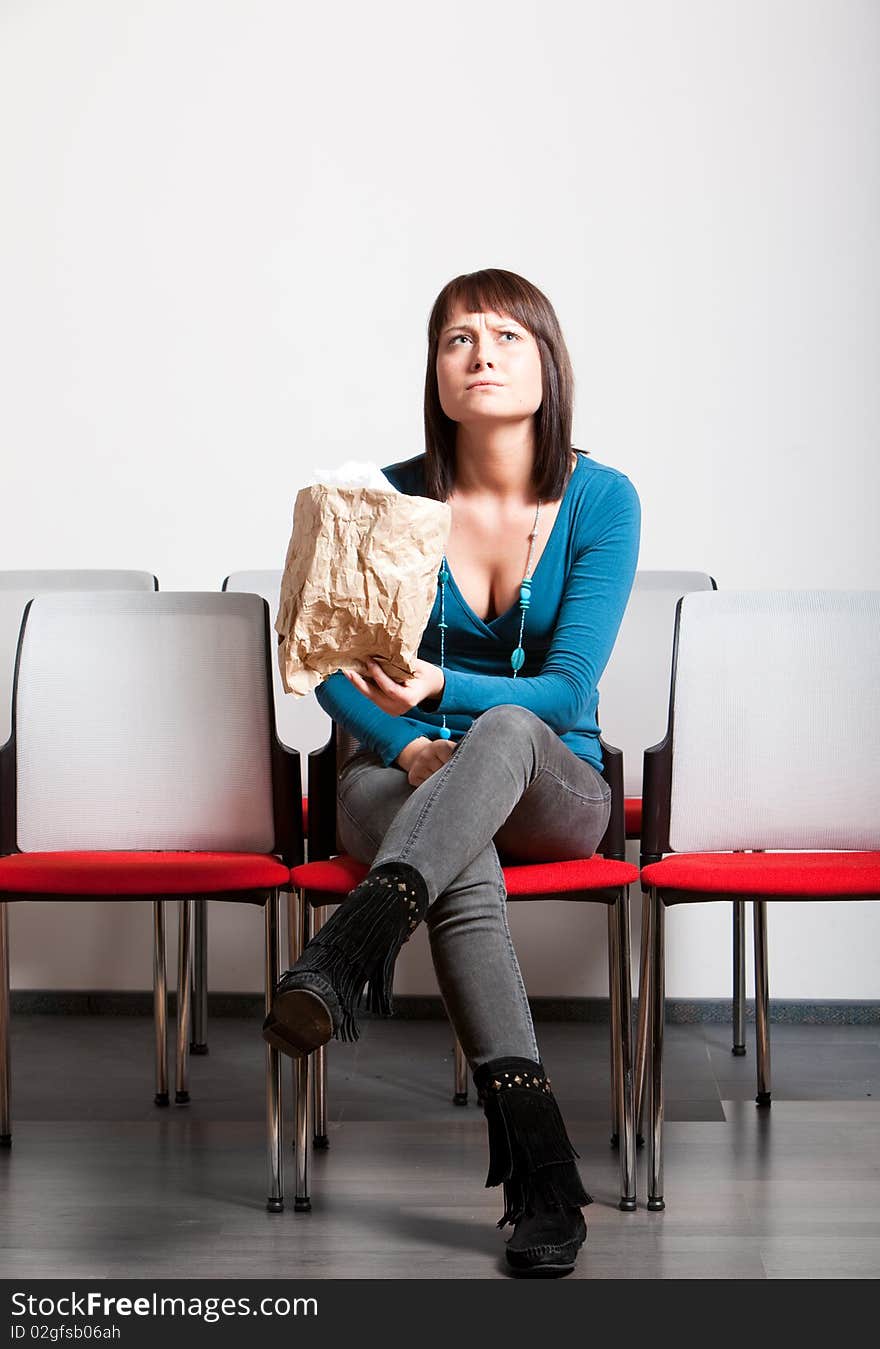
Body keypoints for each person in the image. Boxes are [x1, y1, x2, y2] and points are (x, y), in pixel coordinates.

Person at [263, 268, 640, 1276]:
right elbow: (324, 665)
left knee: (510, 723)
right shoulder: (379, 497)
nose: (482, 353)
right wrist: (406, 742)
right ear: (433, 373)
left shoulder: (602, 498)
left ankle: (346, 947)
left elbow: (564, 691)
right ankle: (542, 1178)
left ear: (548, 363)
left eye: (508, 337)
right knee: (453, 859)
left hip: (551, 784)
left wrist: (444, 689)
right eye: (458, 339)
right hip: (401, 777)